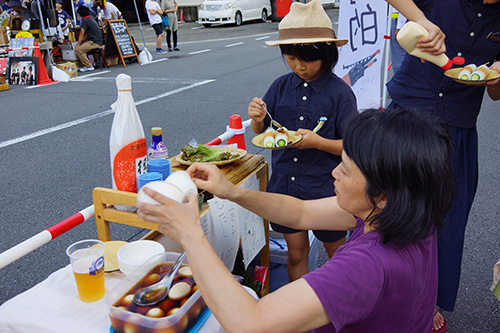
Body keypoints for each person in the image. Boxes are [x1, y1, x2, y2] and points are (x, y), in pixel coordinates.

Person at [136, 107, 455, 332]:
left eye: (345, 169)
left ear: (383, 192)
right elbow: (301, 212)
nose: (335, 172)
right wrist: (231, 190)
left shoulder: (366, 266)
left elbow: (251, 323)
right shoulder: (409, 209)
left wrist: (190, 232)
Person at [385, 0, 500, 331]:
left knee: (446, 222)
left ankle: (425, 299)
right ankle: (376, 290)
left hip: (458, 127)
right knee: (388, 207)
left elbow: (495, 94)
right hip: (409, 111)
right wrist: (422, 20)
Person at [247, 0, 357, 283]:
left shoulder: (341, 94)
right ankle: (300, 312)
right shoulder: (280, 86)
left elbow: (353, 147)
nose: (299, 66)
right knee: (296, 254)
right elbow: (262, 130)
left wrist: (319, 143)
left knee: (340, 255)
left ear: (327, 53)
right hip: (286, 185)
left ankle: (346, 309)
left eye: (306, 59)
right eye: (291, 58)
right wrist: (257, 117)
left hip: (326, 189)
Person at [75, 5, 102, 72]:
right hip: (98, 41)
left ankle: (89, 66)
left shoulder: (85, 21)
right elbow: (88, 33)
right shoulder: (91, 19)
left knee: (79, 50)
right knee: (81, 48)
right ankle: (88, 65)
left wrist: (78, 44)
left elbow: (81, 33)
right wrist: (83, 40)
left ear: (80, 15)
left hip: (94, 42)